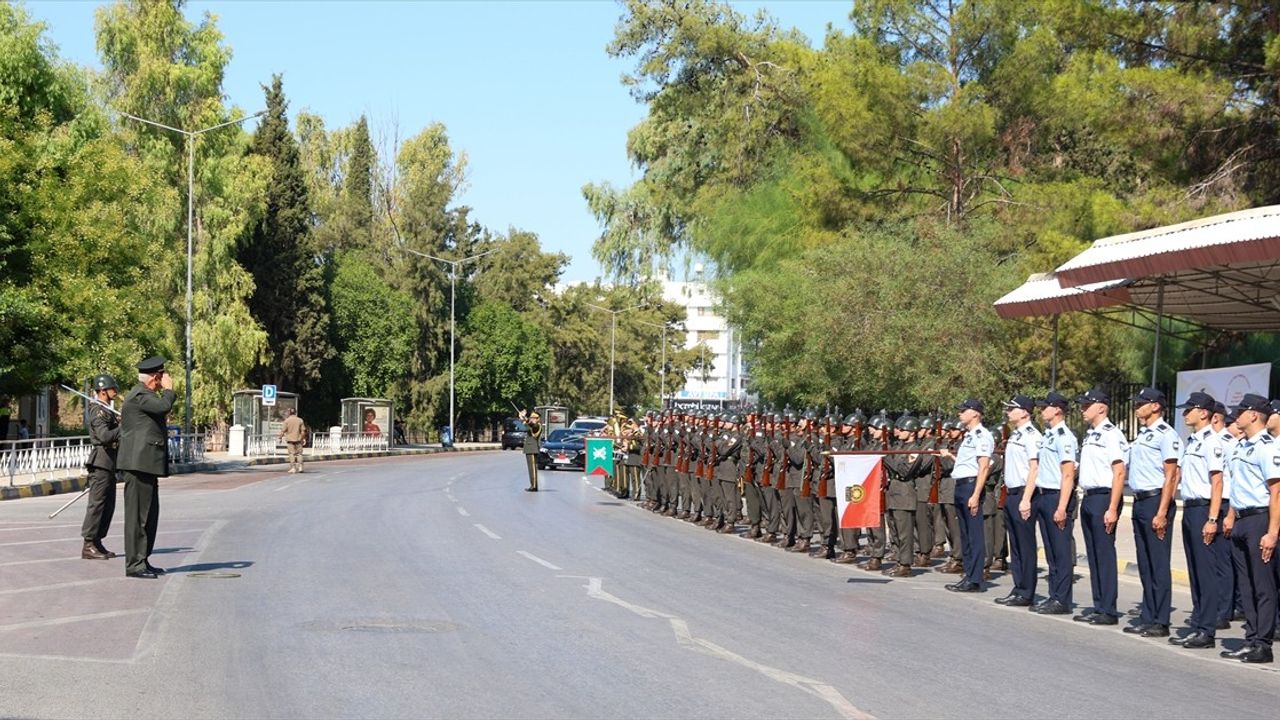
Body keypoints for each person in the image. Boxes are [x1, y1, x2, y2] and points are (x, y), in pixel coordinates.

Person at [1220, 393, 1279, 664]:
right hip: (1241, 518)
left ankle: (1263, 645)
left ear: (1254, 414)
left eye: (1241, 411)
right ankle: (1251, 637)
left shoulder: (1269, 447)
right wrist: (1231, 515)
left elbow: (1276, 492)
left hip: (1259, 519)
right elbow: (1237, 485)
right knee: (1246, 585)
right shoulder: (1240, 446)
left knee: (1263, 585)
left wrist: (1272, 532)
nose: (1237, 416)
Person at [1169, 391, 1229, 650]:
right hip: (1190, 508)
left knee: (1206, 572)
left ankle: (1207, 630)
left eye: (1190, 409)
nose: (1185, 413)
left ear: (1203, 412)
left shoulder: (1211, 442)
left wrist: (1213, 518)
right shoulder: (1193, 441)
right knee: (1195, 570)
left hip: (1205, 509)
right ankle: (1197, 624)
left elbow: (1217, 482)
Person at [1123, 386, 1179, 638]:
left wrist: (1162, 511)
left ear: (1156, 406)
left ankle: (1161, 619)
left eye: (1141, 403)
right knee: (1144, 563)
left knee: (1157, 563)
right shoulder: (1144, 434)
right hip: (1140, 500)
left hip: (1157, 500)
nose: (1137, 407)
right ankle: (1148, 614)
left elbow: (1171, 476)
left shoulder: (1166, 434)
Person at [1072, 387, 1128, 626]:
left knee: (1104, 555)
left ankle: (1108, 609)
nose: (1083, 409)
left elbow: (1119, 472)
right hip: (1089, 496)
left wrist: (1113, 508)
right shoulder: (1091, 434)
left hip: (1105, 497)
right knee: (1094, 555)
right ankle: (1099, 605)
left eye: (1087, 405)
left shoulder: (1111, 434)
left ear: (1102, 407)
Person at [117, 356, 176, 579]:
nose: (164, 380)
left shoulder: (146, 395)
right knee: (137, 518)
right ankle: (134, 564)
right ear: (155, 377)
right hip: (138, 464)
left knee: (149, 516)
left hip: (146, 464)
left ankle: (143, 559)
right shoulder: (140, 395)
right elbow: (163, 406)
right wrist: (169, 391)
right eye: (162, 377)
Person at [1021, 391, 1078, 615]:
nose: (1042, 410)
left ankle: (1062, 599)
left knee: (1061, 551)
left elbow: (1067, 475)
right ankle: (1054, 595)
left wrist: (1062, 507)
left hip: (1057, 496)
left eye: (1046, 407)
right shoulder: (1049, 435)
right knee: (1051, 551)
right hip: (1044, 495)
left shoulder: (1064, 436)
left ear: (1057, 409)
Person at [939, 398, 994, 592]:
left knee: (974, 535)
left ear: (975, 413)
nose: (960, 414)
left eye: (964, 410)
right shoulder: (969, 436)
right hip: (962, 485)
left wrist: (976, 494)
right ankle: (969, 575)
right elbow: (967, 465)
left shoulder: (982, 436)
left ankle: (975, 578)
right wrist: (951, 457)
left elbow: (984, 466)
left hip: (971, 487)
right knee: (965, 535)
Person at [995, 395, 1041, 607]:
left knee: (1025, 545)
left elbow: (1035, 467)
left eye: (1012, 408)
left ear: (1024, 412)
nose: (1008, 412)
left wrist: (1026, 498)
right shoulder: (1016, 435)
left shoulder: (1031, 435)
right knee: (1015, 546)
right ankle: (1018, 587)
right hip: (1012, 493)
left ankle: (1027, 591)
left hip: (1024, 493)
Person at [81, 374, 121, 560]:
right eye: (113, 388)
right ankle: (88, 543)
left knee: (108, 505)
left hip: (110, 462)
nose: (116, 391)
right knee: (97, 505)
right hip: (101, 462)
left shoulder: (107, 409)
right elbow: (104, 436)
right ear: (103, 390)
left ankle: (97, 541)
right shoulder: (98, 411)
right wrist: (124, 427)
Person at [278, 407, 308, 474]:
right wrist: (303, 439)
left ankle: (293, 468)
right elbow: (303, 431)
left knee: (292, 454)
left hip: (290, 440)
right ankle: (300, 467)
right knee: (299, 454)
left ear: (289, 413)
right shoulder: (300, 420)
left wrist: (280, 438)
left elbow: (283, 431)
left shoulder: (287, 421)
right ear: (295, 412)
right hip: (298, 440)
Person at [518, 409, 542, 492]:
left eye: (533, 418)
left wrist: (526, 418)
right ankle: (532, 485)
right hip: (529, 448)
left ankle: (534, 486)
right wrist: (521, 418)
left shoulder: (537, 425)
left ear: (538, 419)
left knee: (533, 469)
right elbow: (522, 427)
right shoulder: (531, 425)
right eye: (531, 417)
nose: (532, 419)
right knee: (530, 468)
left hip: (532, 448)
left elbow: (532, 425)